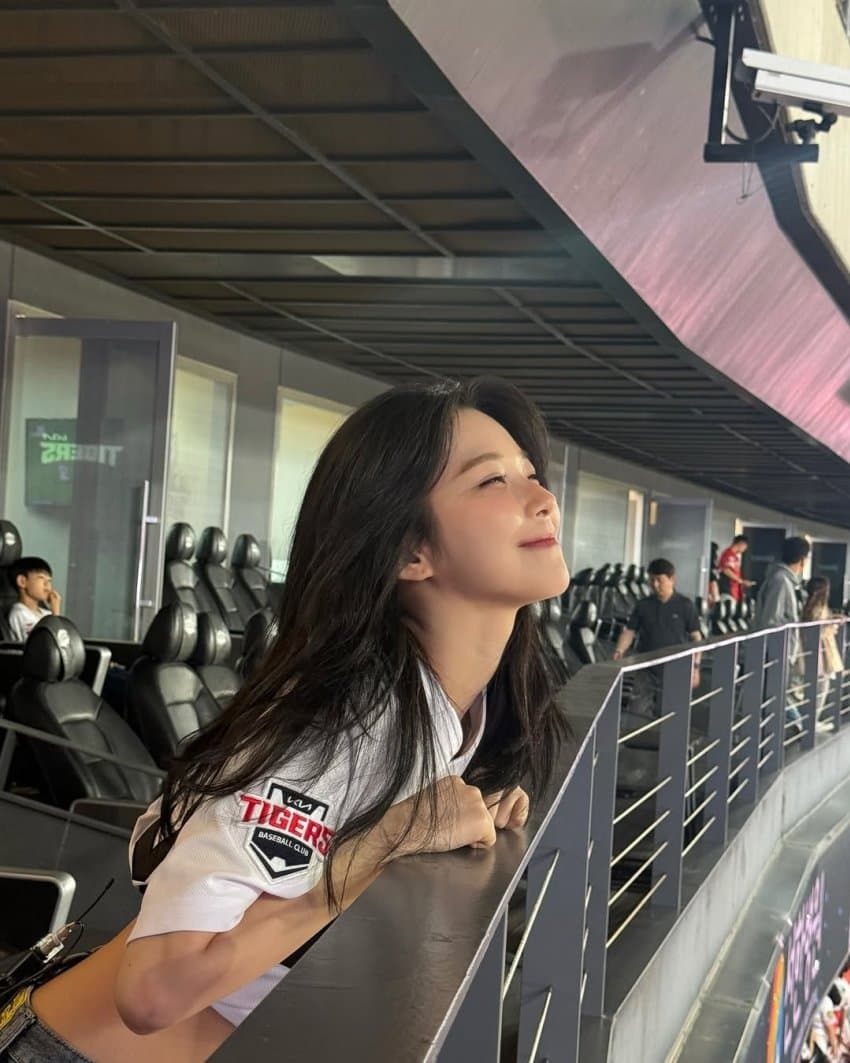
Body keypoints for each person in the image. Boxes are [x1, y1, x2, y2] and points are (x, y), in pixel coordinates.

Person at [0, 377, 571, 1062]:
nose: (543, 499)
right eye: (493, 481)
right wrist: (387, 840)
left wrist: (432, 833)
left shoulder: (441, 712)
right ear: (408, 551)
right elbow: (152, 990)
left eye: (531, 474)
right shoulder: (346, 722)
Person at [613, 558, 703, 695]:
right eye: (652, 580)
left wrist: (695, 667)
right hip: (647, 669)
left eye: (659, 580)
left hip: (676, 668)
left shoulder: (685, 605)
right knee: (638, 706)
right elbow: (629, 631)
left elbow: (696, 637)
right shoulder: (643, 605)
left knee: (673, 707)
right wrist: (619, 650)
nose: (655, 585)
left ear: (672, 579)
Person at [754, 536, 810, 730]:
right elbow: (772, 619)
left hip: (780, 650)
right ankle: (800, 727)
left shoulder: (784, 580)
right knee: (776, 694)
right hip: (777, 651)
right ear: (802, 560)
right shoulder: (781, 581)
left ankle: (796, 727)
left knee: (777, 694)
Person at [802, 576, 844, 728]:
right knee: (820, 690)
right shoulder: (818, 608)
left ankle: (811, 722)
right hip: (822, 654)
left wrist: (832, 618)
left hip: (817, 653)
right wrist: (833, 625)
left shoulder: (810, 607)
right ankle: (811, 723)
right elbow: (818, 631)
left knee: (818, 689)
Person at [6, 556, 62, 642]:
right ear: (22, 581)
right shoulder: (19, 613)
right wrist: (55, 614)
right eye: (41, 578)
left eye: (49, 581)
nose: (47, 585)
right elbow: (42, 644)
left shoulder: (47, 613)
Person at [717, 535, 755, 603]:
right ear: (741, 544)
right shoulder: (728, 554)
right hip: (728, 589)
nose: (744, 550)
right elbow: (725, 570)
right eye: (745, 547)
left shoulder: (734, 556)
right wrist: (741, 581)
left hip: (734, 591)